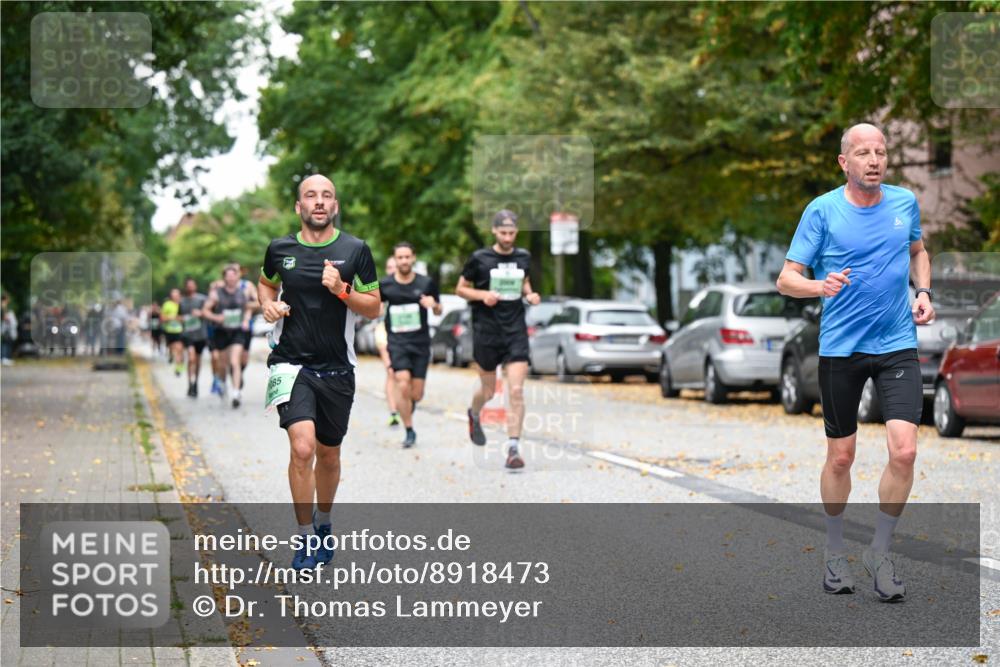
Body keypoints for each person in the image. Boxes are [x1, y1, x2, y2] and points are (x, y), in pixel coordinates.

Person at [776, 123, 933, 602]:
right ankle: (834, 550)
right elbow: (786, 279)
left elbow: (918, 251)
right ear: (844, 162)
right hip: (841, 347)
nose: (874, 160)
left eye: (881, 152)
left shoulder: (904, 203)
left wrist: (923, 290)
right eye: (863, 152)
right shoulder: (822, 210)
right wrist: (818, 286)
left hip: (896, 343)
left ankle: (880, 552)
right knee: (841, 456)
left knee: (904, 451)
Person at [258, 174, 379, 569]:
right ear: (299, 207)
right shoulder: (280, 250)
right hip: (290, 364)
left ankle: (324, 523)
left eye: (327, 195)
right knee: (303, 447)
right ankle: (305, 538)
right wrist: (268, 306)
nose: (319, 201)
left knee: (328, 454)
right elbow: (264, 284)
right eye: (311, 195)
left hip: (337, 369)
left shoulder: (355, 250)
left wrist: (342, 290)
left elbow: (374, 306)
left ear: (336, 206)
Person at [456, 210, 541, 469]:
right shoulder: (480, 258)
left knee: (515, 390)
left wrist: (530, 294)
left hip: (515, 330)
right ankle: (474, 413)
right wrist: (482, 295)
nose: (507, 237)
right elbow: (460, 288)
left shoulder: (523, 256)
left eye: (512, 233)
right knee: (490, 391)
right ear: (494, 231)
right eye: (502, 233)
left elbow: (524, 281)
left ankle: (513, 448)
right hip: (486, 331)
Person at [380, 243, 442, 448]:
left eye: (407, 257)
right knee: (402, 382)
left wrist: (433, 305)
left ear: (413, 258)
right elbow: (376, 308)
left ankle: (407, 405)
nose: (404, 261)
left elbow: (439, 310)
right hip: (397, 342)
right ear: (395, 260)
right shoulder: (386, 285)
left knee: (416, 393)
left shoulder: (426, 283)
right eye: (400, 257)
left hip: (420, 344)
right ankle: (409, 430)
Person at [202, 267, 253, 408]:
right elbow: (205, 311)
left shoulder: (242, 292)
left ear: (237, 277)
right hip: (221, 332)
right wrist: (216, 317)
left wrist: (246, 320)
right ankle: (223, 383)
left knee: (234, 361)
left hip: (237, 331)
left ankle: (236, 392)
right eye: (228, 276)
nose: (231, 278)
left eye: (233, 276)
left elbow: (247, 308)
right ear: (224, 278)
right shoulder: (216, 294)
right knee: (222, 364)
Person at [376, 256, 401, 427]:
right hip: (384, 331)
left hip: (404, 334)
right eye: (389, 267)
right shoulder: (384, 286)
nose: (392, 269)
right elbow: (374, 310)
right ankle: (393, 411)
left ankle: (404, 403)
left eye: (395, 266)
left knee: (403, 373)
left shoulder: (408, 285)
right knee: (391, 371)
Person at [179, 278, 209, 398]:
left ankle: (196, 381)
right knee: (191, 358)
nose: (190, 287)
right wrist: (182, 319)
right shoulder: (182, 302)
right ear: (186, 287)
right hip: (188, 334)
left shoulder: (202, 299)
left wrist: (200, 313)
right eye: (188, 285)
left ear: (195, 286)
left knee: (197, 360)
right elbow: (179, 316)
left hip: (200, 334)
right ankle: (190, 383)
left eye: (192, 285)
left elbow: (208, 313)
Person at [160, 290, 185, 375]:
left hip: (181, 331)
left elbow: (186, 317)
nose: (175, 297)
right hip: (169, 331)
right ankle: (175, 360)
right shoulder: (167, 305)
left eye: (177, 295)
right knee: (173, 349)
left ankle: (179, 368)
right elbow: (162, 318)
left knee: (179, 349)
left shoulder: (182, 304)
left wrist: (180, 318)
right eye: (173, 295)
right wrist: (170, 318)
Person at [1, 294, 17, 366]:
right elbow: (4, 317)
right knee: (5, 342)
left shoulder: (3, 306)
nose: (9, 300)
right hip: (4, 327)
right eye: (8, 298)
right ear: (6, 299)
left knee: (6, 342)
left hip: (5, 327)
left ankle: (5, 358)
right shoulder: (3, 305)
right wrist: (9, 318)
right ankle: (4, 358)